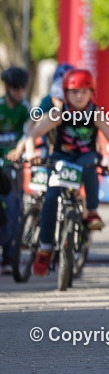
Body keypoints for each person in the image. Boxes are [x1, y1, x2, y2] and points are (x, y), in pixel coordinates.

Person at [23, 69, 109, 277]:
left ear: (91, 93)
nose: (79, 96)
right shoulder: (58, 113)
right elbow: (33, 134)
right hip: (62, 159)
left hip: (86, 158)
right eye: (74, 92)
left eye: (84, 92)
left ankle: (92, 211)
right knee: (50, 199)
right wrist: (31, 152)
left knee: (90, 167)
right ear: (66, 94)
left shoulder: (95, 113)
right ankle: (46, 248)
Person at [1, 66, 31, 274]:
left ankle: (9, 254)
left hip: (15, 166)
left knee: (16, 207)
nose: (20, 91)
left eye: (22, 87)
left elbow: (29, 133)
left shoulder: (25, 109)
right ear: (7, 87)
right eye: (16, 87)